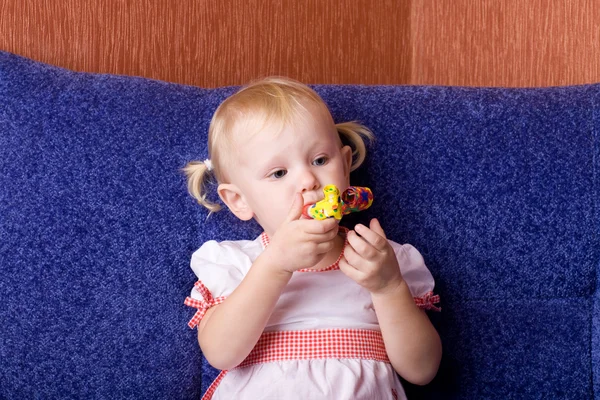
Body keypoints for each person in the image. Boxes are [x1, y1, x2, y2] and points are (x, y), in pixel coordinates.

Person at [183, 77, 442, 400]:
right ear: (239, 200)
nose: (308, 180)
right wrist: (275, 266)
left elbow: (422, 369)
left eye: (320, 160)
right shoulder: (237, 264)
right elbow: (221, 354)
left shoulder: (382, 261)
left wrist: (389, 288)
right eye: (279, 173)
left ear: (345, 167)